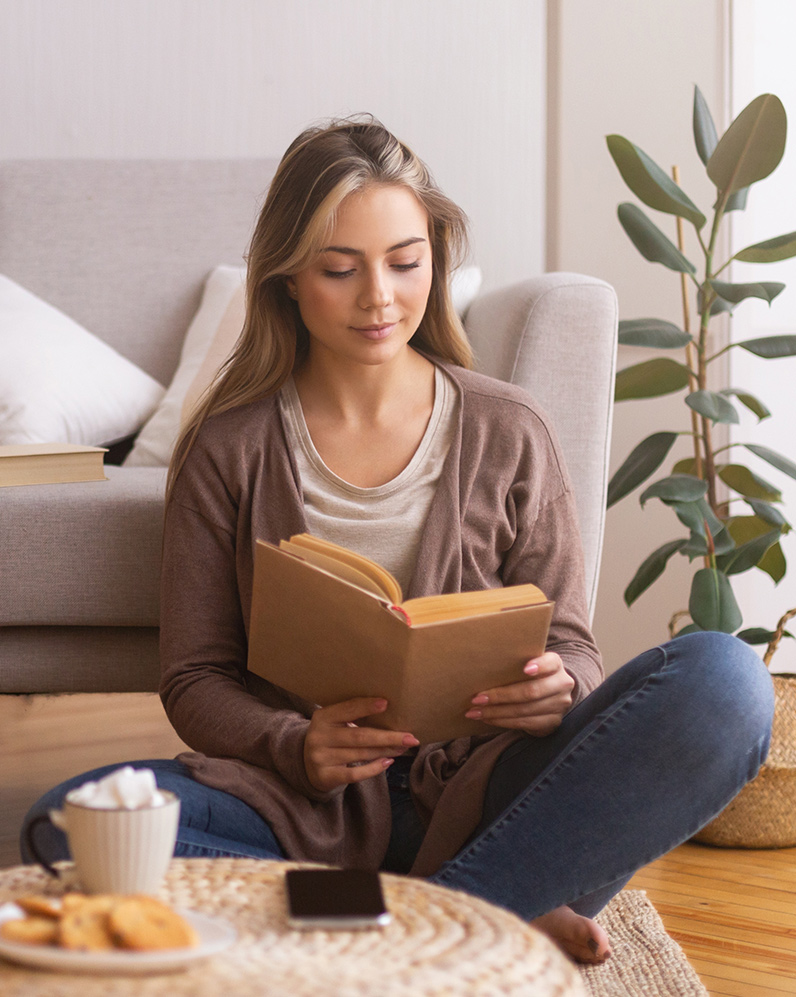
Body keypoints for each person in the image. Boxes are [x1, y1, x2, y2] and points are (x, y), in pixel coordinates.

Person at [22, 117, 775, 965]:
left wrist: (559, 687)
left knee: (726, 684)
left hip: (485, 793)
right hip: (296, 807)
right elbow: (194, 677)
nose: (379, 296)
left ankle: (417, 921)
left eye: (405, 262)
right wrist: (295, 745)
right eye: (341, 269)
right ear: (288, 280)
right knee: (69, 821)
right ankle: (494, 909)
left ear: (437, 259)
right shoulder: (227, 448)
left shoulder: (510, 428)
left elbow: (571, 644)